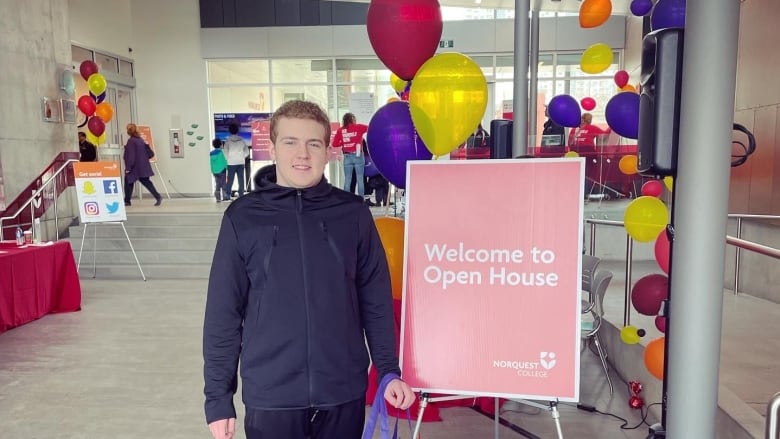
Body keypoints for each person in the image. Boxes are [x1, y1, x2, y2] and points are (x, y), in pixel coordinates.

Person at [203, 100, 415, 439]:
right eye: (290, 142)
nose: (302, 154)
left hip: (342, 393)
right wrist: (218, 399)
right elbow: (223, 314)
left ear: (328, 151)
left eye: (313, 143)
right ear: (272, 148)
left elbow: (375, 299)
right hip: (271, 397)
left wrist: (388, 369)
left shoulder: (353, 213)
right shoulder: (242, 218)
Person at [123, 123, 162, 207]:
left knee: (128, 181)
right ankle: (157, 196)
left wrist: (128, 168)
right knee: (146, 182)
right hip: (143, 166)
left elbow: (131, 156)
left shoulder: (131, 141)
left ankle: (127, 201)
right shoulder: (140, 140)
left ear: (129, 131)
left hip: (135, 168)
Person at [332, 112, 368, 198]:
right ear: (352, 119)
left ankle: (346, 200)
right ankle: (361, 200)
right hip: (358, 155)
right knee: (360, 179)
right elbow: (370, 128)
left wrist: (344, 142)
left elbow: (334, 144)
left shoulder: (340, 130)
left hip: (347, 156)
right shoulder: (359, 127)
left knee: (347, 179)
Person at [223, 123, 250, 199]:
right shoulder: (242, 140)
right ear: (237, 130)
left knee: (230, 179)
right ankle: (241, 194)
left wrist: (229, 159)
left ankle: (228, 195)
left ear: (229, 131)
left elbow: (225, 152)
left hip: (231, 163)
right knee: (241, 179)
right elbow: (247, 151)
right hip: (240, 162)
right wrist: (242, 156)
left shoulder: (228, 141)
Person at [210, 138, 229, 202]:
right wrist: (227, 167)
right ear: (221, 145)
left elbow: (211, 163)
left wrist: (212, 170)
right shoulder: (222, 152)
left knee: (217, 184)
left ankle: (218, 198)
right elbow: (224, 161)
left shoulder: (211, 153)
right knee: (223, 183)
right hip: (222, 170)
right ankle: (225, 197)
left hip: (215, 171)